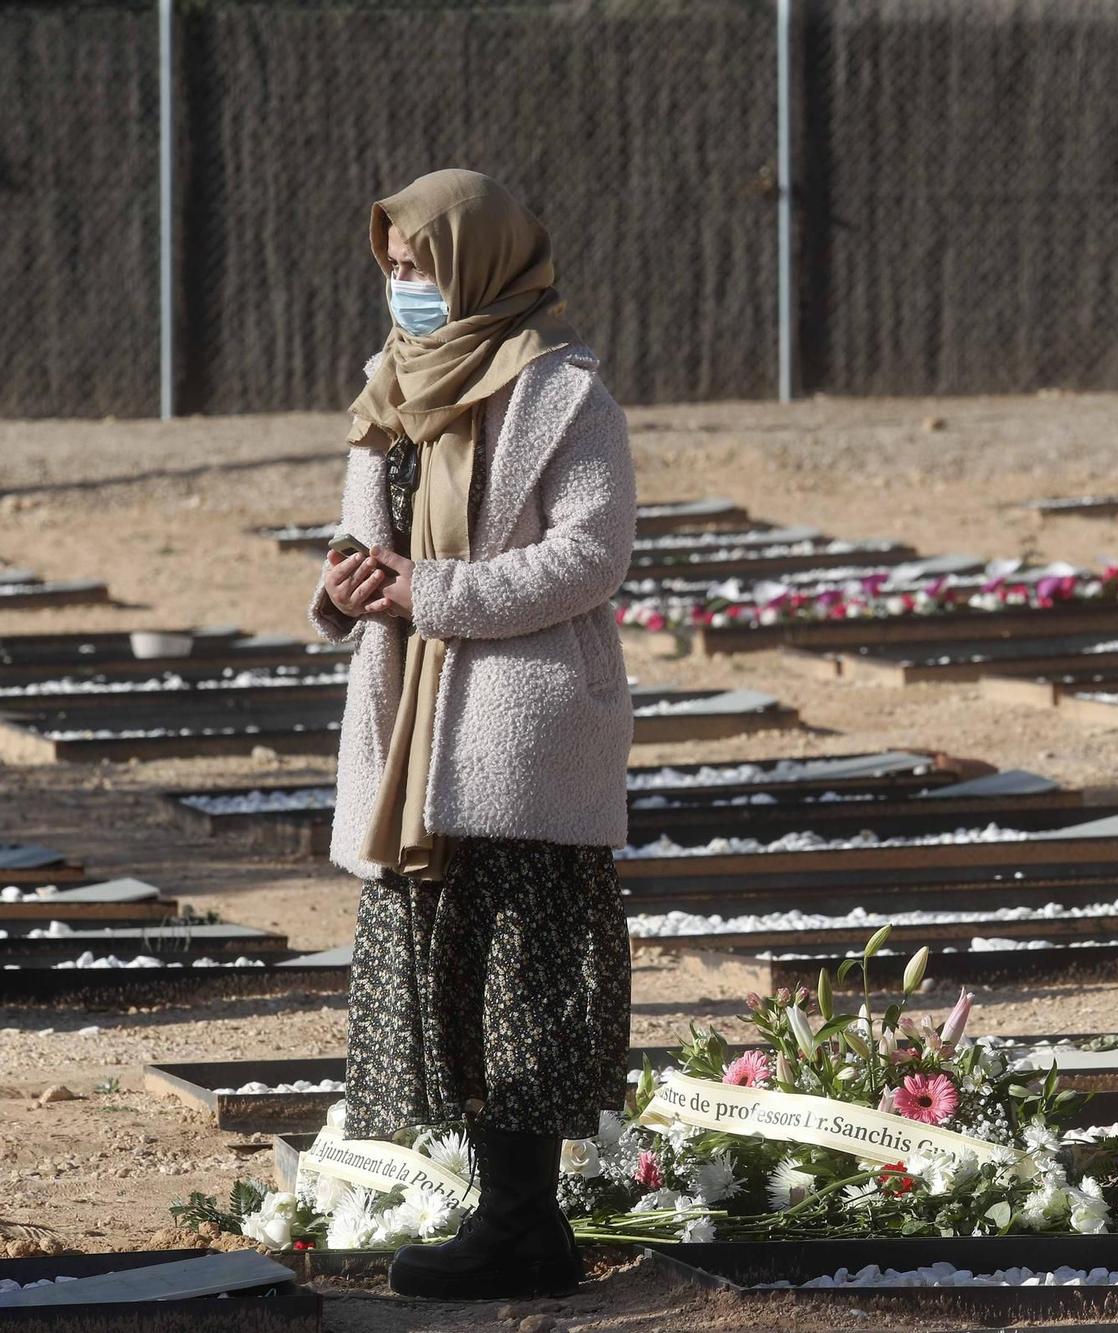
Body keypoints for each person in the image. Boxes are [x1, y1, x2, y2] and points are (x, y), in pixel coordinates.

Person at [309, 168, 634, 1300]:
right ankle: (506, 1222)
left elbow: (591, 557)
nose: (405, 290)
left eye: (423, 268)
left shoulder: (563, 391)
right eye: (392, 270)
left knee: (520, 974)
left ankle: (518, 1224)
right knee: (443, 964)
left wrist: (432, 592)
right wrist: (349, 587)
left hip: (515, 724)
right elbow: (362, 541)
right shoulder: (384, 388)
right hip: (410, 719)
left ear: (482, 265)